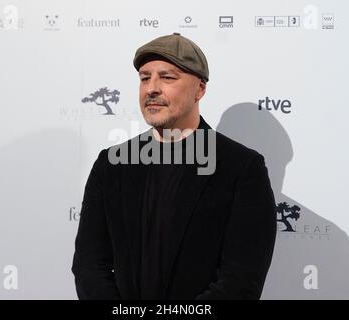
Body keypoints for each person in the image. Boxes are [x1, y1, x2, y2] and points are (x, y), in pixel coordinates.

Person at [72, 33, 277, 300]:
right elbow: (89, 267)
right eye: (145, 78)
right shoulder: (111, 164)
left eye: (167, 77)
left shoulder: (241, 168)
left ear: (200, 89)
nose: (151, 88)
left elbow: (241, 281)